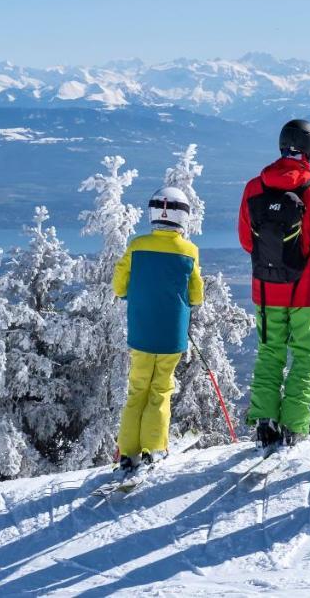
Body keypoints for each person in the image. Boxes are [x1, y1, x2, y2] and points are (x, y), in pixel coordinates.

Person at [239, 119, 310, 448]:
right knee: (304, 356)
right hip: (306, 293)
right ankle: (295, 425)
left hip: (266, 289)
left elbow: (247, 241)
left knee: (269, 353)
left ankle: (264, 421)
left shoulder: (254, 188)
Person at [111, 186, 205, 477]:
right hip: (171, 334)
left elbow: (119, 285)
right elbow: (196, 295)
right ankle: (154, 447)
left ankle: (128, 452)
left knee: (137, 389)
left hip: (140, 330)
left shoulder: (137, 246)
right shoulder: (189, 252)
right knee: (160, 389)